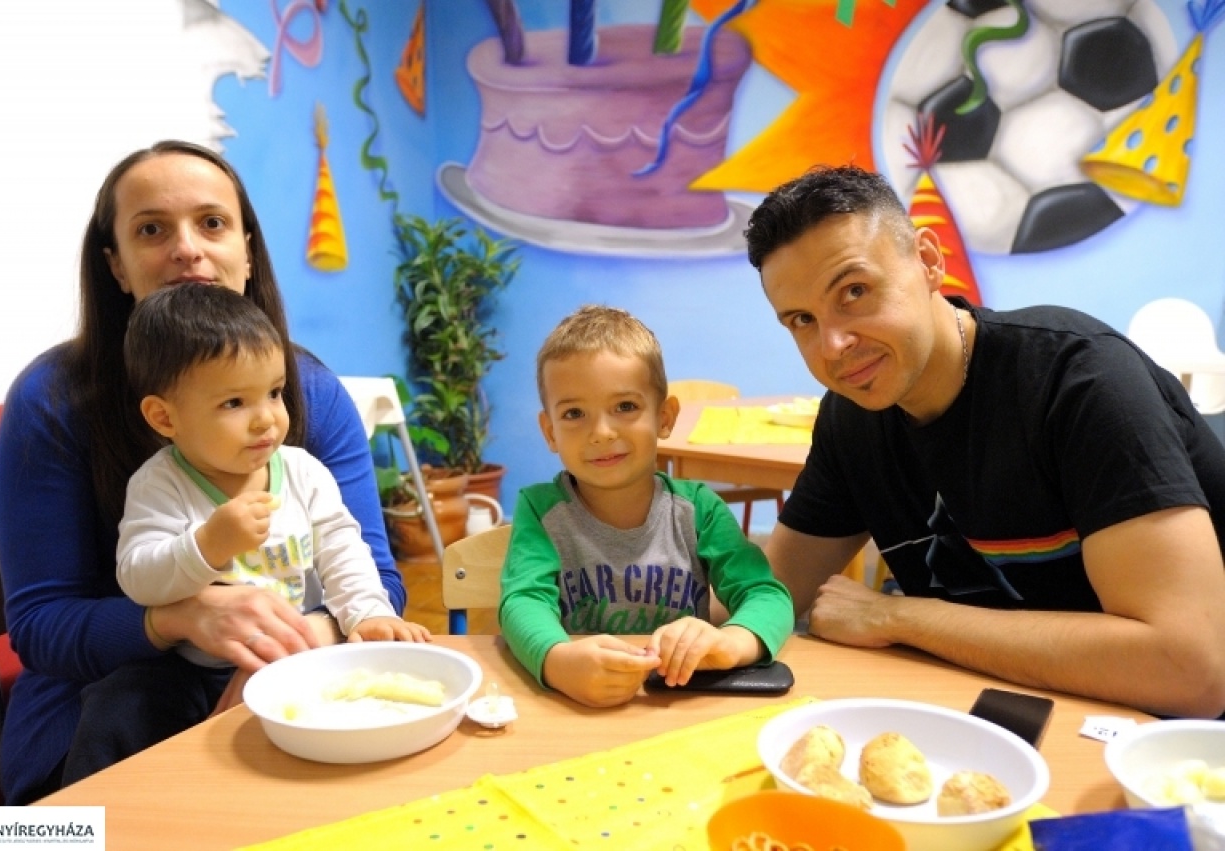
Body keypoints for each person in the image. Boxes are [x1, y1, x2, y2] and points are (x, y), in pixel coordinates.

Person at [0, 140, 406, 804]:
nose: (187, 248)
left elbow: (374, 577)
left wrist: (284, 647)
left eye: (212, 223)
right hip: (95, 721)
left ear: (247, 251)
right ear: (116, 264)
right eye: (152, 230)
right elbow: (41, 626)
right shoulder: (52, 401)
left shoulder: (312, 393)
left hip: (296, 687)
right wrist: (179, 618)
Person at [744, 164, 1225, 719]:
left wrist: (897, 617)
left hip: (1173, 744)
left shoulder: (1080, 379)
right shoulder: (853, 417)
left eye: (855, 291)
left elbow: (1191, 671)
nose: (833, 345)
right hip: (1019, 708)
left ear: (928, 261)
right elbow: (769, 593)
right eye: (802, 320)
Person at [117, 283, 429, 670]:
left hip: (302, 653)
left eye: (274, 392)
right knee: (121, 700)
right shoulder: (161, 485)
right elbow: (138, 578)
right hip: (199, 669)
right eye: (234, 402)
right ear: (164, 417)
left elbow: (343, 549)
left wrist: (367, 613)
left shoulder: (303, 471)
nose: (266, 418)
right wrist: (208, 544)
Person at [499, 305, 794, 708]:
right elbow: (523, 601)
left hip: (679, 702)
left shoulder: (699, 510)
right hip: (577, 706)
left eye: (625, 407)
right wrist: (556, 660)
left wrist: (732, 643)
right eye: (574, 414)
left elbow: (765, 594)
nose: (602, 432)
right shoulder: (539, 510)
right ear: (550, 432)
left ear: (665, 417)